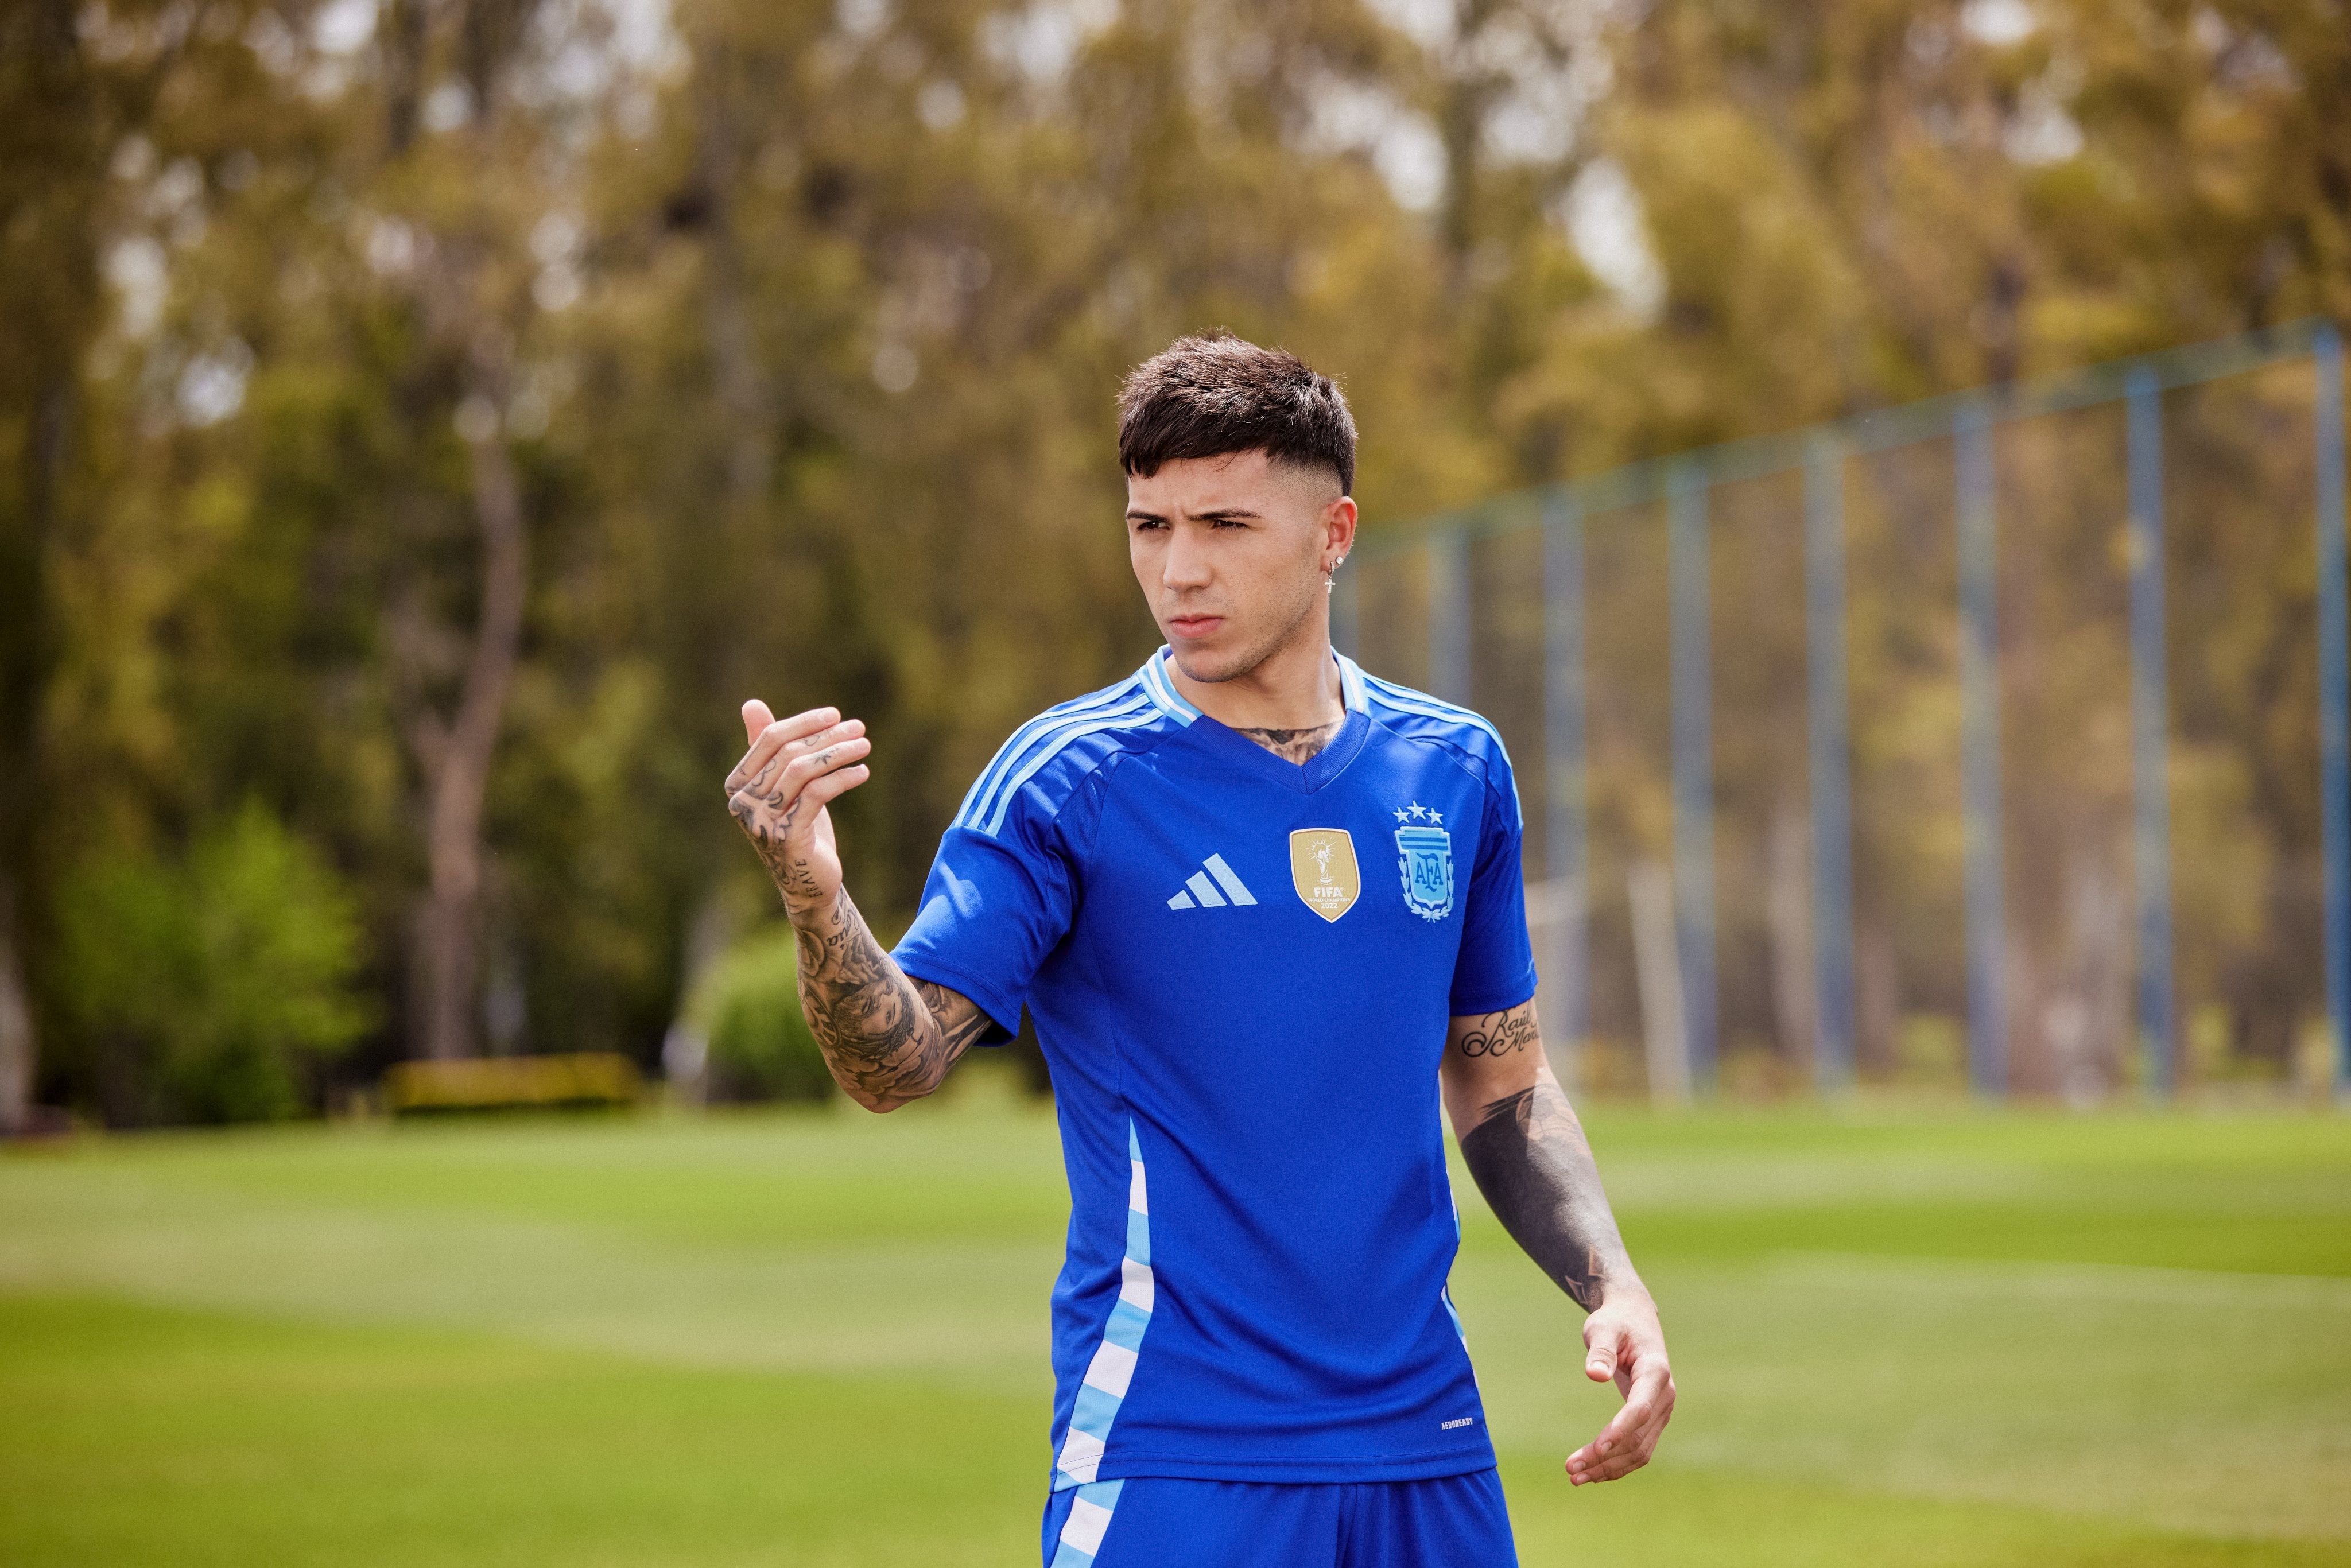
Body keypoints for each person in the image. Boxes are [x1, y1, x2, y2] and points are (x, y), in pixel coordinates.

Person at [725, 332, 1674, 1567]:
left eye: (1223, 524)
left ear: (1333, 534)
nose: (1178, 568)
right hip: (1175, 1446)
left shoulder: (1453, 769)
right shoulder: (1069, 778)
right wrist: (813, 898)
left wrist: (1614, 1284)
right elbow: (890, 1063)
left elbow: (1500, 1083)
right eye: (1148, 526)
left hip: (1423, 1441)